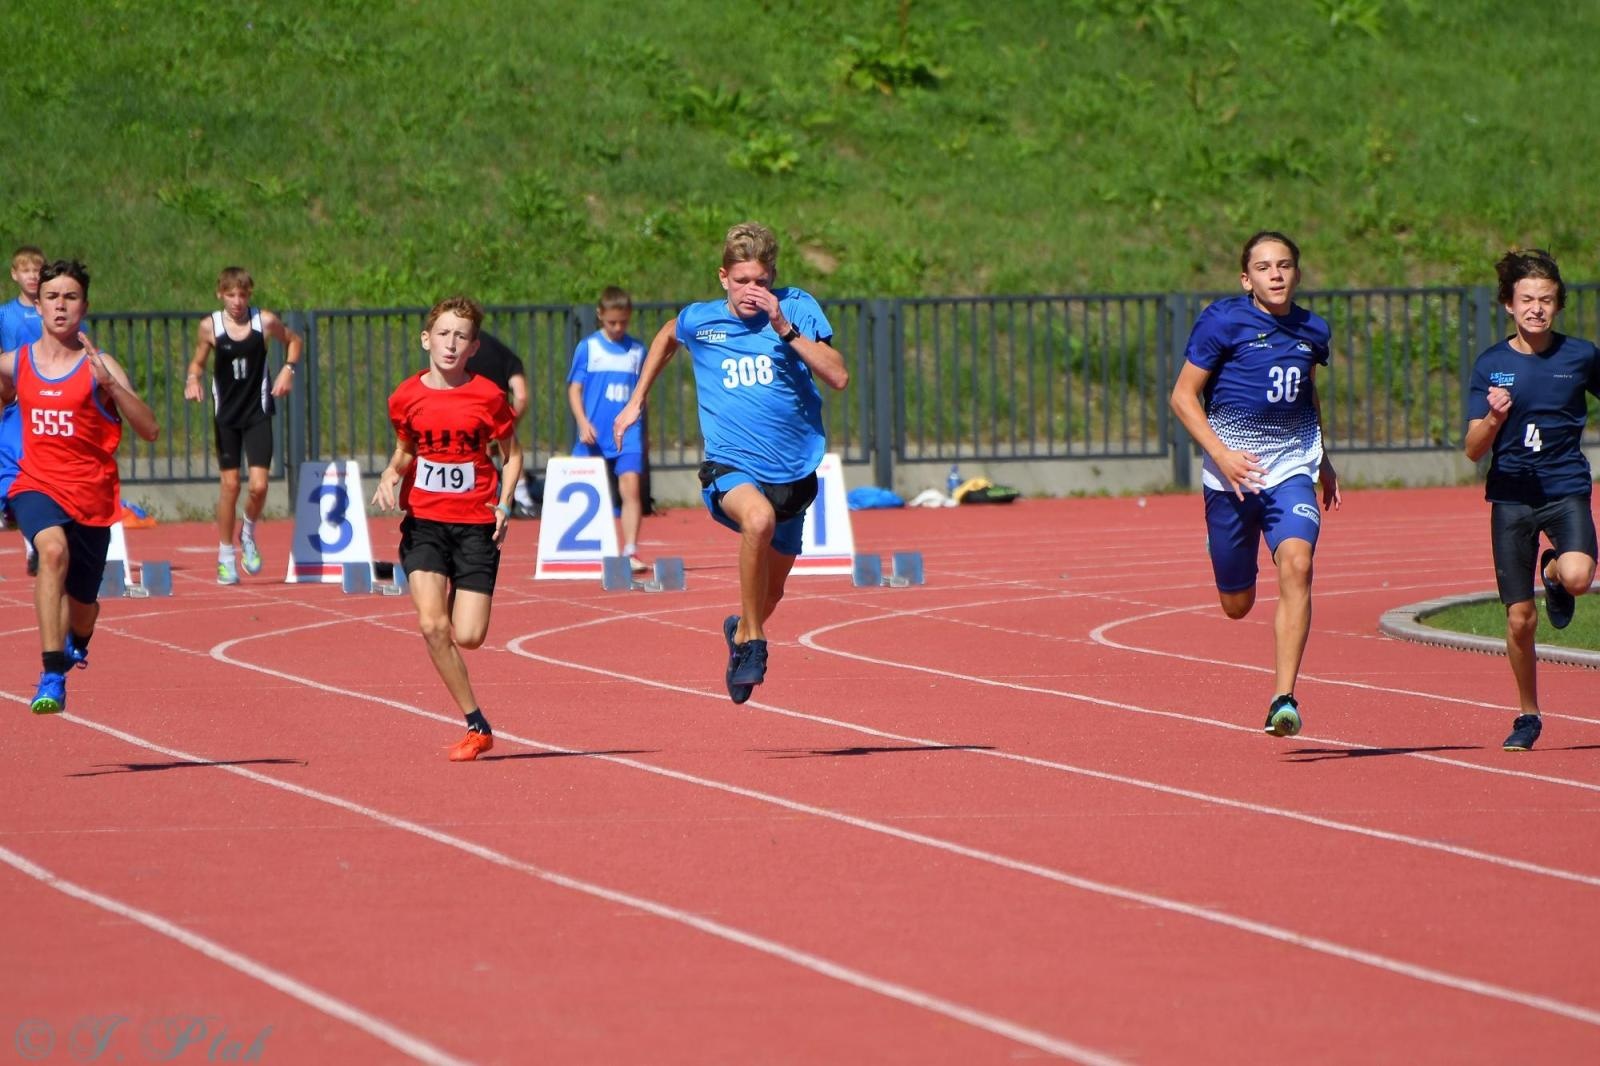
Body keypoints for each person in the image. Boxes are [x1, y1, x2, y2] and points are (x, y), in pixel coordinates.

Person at [613, 222, 848, 704]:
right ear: (724, 278)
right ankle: (755, 642)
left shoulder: (796, 307)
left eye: (760, 282)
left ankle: (742, 629)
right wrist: (637, 399)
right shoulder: (703, 319)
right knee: (757, 519)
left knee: (771, 595)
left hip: (795, 475)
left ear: (772, 280)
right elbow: (667, 335)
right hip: (731, 467)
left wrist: (784, 328)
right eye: (742, 281)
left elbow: (838, 375)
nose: (751, 292)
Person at [1169, 230, 1341, 738]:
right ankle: (1222, 547)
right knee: (1236, 606)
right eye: (1264, 267)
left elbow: (1307, 389)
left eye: (1285, 265)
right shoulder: (1223, 321)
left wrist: (1323, 458)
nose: (1276, 275)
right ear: (1247, 279)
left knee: (1299, 563)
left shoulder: (1314, 330)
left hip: (1291, 470)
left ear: (1297, 273)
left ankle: (1283, 698)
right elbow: (1182, 397)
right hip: (1232, 477)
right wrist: (1222, 455)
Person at [0, 260, 160, 714]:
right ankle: (51, 674)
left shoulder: (99, 366)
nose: (60, 306)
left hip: (91, 494)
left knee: (84, 604)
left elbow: (150, 430)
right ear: (39, 303)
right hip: (35, 483)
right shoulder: (16, 363)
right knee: (50, 552)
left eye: (70, 297)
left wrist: (113, 386)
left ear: (84, 307)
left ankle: (79, 639)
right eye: (52, 297)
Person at [372, 296, 521, 762]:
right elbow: (405, 448)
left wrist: (504, 502)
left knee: (469, 635)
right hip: (425, 525)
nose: (450, 343)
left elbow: (511, 454)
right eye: (443, 334)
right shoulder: (405, 397)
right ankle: (476, 724)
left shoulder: (489, 398)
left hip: (476, 527)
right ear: (426, 339)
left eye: (461, 336)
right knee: (432, 625)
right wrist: (389, 473)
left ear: (474, 346)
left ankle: (460, 593)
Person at [1464, 249, 1600, 752]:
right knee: (1520, 619)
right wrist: (1494, 419)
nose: (1536, 308)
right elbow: (1472, 448)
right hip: (1512, 498)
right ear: (1509, 304)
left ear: (1558, 305)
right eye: (1527, 300)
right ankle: (1527, 715)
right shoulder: (1493, 365)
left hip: (1565, 489)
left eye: (1546, 300)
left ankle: (1553, 574)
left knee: (1579, 577)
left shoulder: (1581, 356)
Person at [183, 267, 303, 585]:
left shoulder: (263, 322)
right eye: (231, 294)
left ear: (249, 295)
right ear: (220, 294)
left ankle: (247, 531)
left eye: (243, 295)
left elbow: (293, 340)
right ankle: (225, 556)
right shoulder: (210, 327)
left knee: (259, 486)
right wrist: (192, 379)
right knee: (231, 486)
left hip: (257, 411)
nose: (237, 301)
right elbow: (197, 361)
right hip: (227, 416)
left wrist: (288, 369)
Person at [568, 286, 649, 570]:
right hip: (593, 434)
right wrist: (582, 421)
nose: (617, 328)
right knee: (587, 494)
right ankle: (585, 551)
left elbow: (642, 392)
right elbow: (575, 389)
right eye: (612, 322)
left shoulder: (638, 351)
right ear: (600, 315)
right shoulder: (588, 348)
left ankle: (630, 549)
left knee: (631, 490)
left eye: (623, 322)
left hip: (627, 435)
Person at [0, 246, 47, 576]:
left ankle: (36, 543)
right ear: (15, 275)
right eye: (25, 270)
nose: (32, 276)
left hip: (50, 399)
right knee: (16, 467)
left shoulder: (54, 311)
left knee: (41, 470)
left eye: (37, 270)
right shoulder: (5, 315)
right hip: (16, 401)